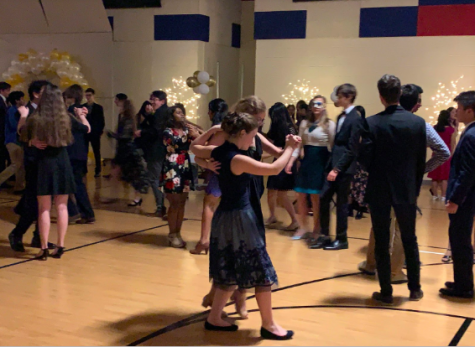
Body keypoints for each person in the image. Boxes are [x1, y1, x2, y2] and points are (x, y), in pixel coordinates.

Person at [205, 112, 299, 340]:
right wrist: (289, 148)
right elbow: (275, 169)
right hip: (239, 219)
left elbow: (196, 150)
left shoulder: (220, 152)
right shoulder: (237, 159)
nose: (254, 140)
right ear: (242, 133)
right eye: (253, 134)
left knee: (228, 270)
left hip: (224, 218)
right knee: (261, 272)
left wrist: (203, 161)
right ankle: (269, 325)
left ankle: (214, 318)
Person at [191, 95, 283, 319]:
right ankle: (232, 295)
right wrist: (207, 164)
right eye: (256, 119)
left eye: (261, 120)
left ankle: (229, 294)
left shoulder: (255, 134)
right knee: (237, 247)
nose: (259, 124)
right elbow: (198, 154)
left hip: (252, 188)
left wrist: (293, 151)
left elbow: (277, 153)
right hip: (235, 188)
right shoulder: (227, 134)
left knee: (246, 247)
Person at [358, 83, 450, 283]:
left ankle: (372, 264)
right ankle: (394, 272)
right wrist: (421, 170)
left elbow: (364, 155)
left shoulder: (378, 121)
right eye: (419, 102)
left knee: (380, 225)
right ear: (415, 104)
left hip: (381, 183)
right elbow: (444, 151)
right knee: (401, 228)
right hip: (406, 184)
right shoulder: (420, 124)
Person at [359, 74, 426, 304]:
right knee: (410, 238)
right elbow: (419, 161)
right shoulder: (417, 123)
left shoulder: (371, 123)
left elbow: (365, 160)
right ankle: (415, 289)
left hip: (380, 188)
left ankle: (386, 290)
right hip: (406, 188)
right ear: (400, 95)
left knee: (381, 237)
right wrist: (414, 187)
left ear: (381, 97)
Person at [21, 84, 75, 260]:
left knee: (44, 207)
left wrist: (31, 142)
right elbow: (77, 135)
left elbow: (22, 135)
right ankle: (60, 246)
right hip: (63, 161)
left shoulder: (36, 118)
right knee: (62, 206)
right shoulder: (65, 118)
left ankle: (43, 248)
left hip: (44, 162)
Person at [9, 80, 55, 252]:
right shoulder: (25, 111)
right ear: (36, 94)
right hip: (33, 162)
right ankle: (17, 233)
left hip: (46, 161)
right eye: (45, 92)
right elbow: (21, 135)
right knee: (33, 203)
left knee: (44, 203)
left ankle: (38, 237)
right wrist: (31, 141)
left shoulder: (47, 111)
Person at [316, 84, 363, 250]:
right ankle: (325, 235)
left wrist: (337, 169)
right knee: (324, 198)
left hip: (344, 167)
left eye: (340, 96)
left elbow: (352, 148)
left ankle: (342, 239)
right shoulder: (341, 116)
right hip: (334, 164)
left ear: (348, 97)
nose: (337, 99)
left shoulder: (355, 118)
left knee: (342, 203)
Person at [440, 91, 475, 299]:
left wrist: (455, 199)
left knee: (460, 240)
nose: (456, 113)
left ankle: (464, 287)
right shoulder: (469, 132)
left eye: (460, 109)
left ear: (470, 111)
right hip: (466, 198)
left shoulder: (471, 135)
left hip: (464, 199)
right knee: (459, 239)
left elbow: (467, 173)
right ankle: (462, 281)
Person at [287, 97, 335, 240]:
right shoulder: (304, 123)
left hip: (321, 162)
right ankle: (302, 227)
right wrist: (290, 161)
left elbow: (332, 147)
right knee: (300, 195)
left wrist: (333, 167)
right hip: (306, 161)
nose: (316, 106)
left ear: (325, 106)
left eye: (319, 103)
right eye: (313, 103)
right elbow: (298, 145)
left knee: (315, 198)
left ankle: (316, 228)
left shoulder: (329, 124)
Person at [190, 98, 228, 255]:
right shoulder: (233, 128)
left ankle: (204, 241)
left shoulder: (219, 130)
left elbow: (199, 150)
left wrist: (202, 134)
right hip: (234, 172)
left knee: (209, 205)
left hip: (219, 171)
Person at [161, 106, 198, 248]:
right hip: (173, 166)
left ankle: (178, 232)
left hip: (185, 165)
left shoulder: (188, 129)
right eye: (178, 112)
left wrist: (194, 131)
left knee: (182, 202)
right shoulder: (167, 131)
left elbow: (195, 142)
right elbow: (174, 145)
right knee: (174, 202)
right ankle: (172, 233)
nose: (181, 114)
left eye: (182, 112)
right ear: (171, 115)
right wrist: (189, 135)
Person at [107, 100, 149, 206]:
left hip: (127, 150)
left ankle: (136, 197)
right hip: (124, 149)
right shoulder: (126, 119)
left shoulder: (128, 120)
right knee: (121, 174)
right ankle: (129, 197)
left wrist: (113, 135)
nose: (119, 108)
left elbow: (125, 136)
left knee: (131, 174)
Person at [63, 85, 95, 224]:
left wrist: (81, 116)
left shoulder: (69, 112)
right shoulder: (78, 110)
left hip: (71, 153)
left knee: (70, 184)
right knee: (74, 184)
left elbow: (86, 129)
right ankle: (80, 212)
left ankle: (78, 213)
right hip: (80, 152)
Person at [266, 102, 299, 231]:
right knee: (273, 191)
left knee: (280, 193)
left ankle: (294, 220)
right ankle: (272, 216)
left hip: (282, 160)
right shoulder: (291, 126)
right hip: (287, 159)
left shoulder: (279, 126)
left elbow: (270, 142)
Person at [136, 90, 167, 218]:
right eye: (151, 99)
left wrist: (141, 133)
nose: (152, 102)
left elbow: (155, 131)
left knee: (154, 178)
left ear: (162, 101)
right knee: (159, 178)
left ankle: (160, 206)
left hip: (156, 151)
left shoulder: (160, 113)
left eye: (154, 99)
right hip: (162, 150)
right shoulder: (162, 112)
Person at [0, 91, 26, 192]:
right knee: (16, 164)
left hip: (16, 141)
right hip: (12, 141)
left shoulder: (17, 110)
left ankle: (19, 187)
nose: (23, 100)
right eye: (22, 98)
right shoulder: (12, 110)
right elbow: (14, 125)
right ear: (17, 100)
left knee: (20, 165)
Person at [428, 110, 456, 201]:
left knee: (434, 177)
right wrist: (452, 156)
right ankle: (444, 196)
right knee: (445, 177)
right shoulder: (451, 130)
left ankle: (435, 195)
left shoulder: (434, 128)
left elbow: (430, 142)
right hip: (446, 155)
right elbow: (452, 144)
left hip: (436, 154)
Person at [348, 105, 368, 220]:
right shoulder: (351, 126)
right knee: (351, 185)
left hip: (362, 161)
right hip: (352, 160)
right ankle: (350, 207)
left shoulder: (365, 128)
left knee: (361, 186)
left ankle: (360, 209)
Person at [83, 88, 105, 177]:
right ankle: (84, 169)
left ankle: (98, 170)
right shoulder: (82, 106)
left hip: (95, 133)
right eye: (86, 95)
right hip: (85, 133)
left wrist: (99, 132)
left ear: (93, 96)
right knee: (84, 151)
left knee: (96, 151)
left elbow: (101, 121)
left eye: (89, 95)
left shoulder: (98, 107)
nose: (88, 97)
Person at [0, 82, 11, 178]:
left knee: (3, 156)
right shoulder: (0, 101)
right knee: (1, 157)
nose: (8, 92)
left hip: (3, 132)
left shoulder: (4, 101)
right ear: (2, 90)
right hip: (1, 132)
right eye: (7, 90)